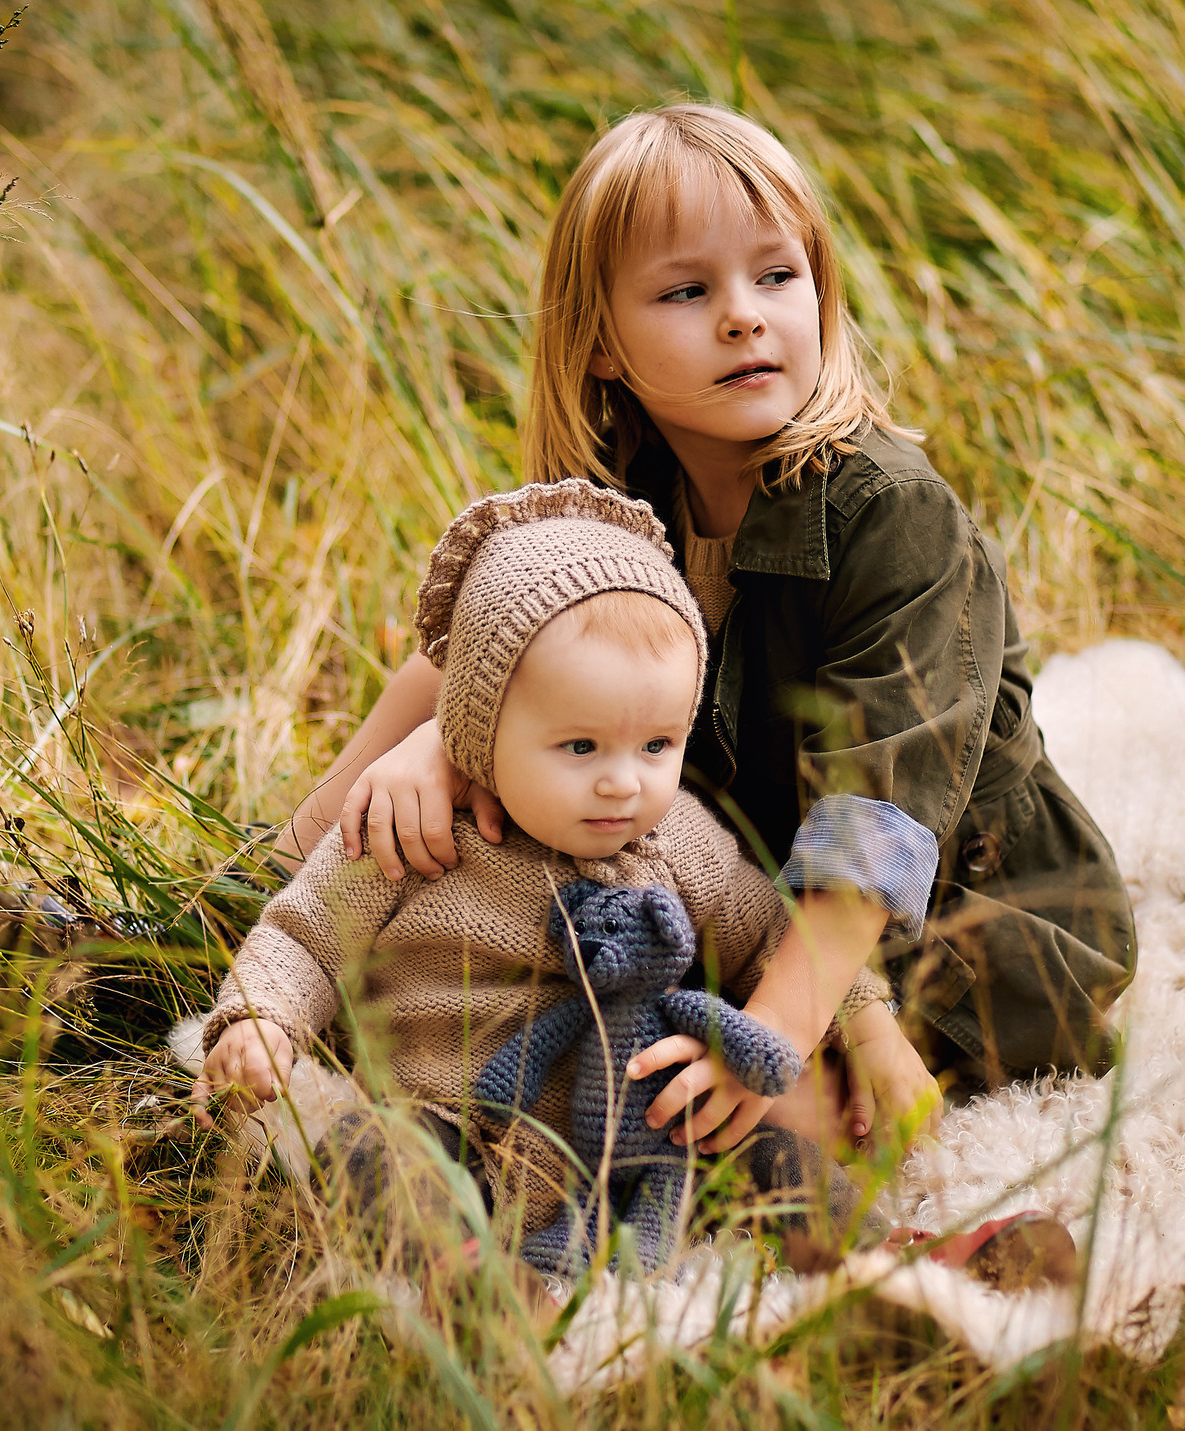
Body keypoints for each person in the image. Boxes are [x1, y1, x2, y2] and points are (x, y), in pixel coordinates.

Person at [285, 104, 1138, 1157]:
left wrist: (769, 1033)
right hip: (734, 881)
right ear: (602, 344)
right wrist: (425, 754)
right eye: (687, 292)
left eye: (776, 276)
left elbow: (873, 827)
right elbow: (486, 644)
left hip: (956, 925)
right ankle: (252, 915)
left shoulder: (892, 514)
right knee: (447, 872)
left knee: (731, 1112)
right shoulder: (621, 492)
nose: (743, 317)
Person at [196, 482, 884, 1269]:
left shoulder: (681, 842)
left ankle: (884, 1268)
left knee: (776, 1156)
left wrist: (859, 1014)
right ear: (480, 727)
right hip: (461, 1126)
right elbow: (306, 936)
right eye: (581, 747)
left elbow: (769, 933)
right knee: (378, 1156)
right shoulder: (417, 833)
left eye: (657, 746)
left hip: (648, 1148)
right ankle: (468, 1281)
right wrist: (262, 1020)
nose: (623, 782)